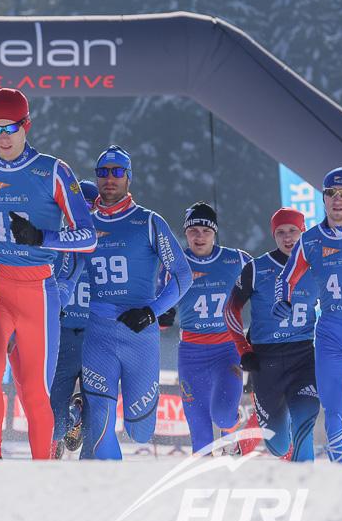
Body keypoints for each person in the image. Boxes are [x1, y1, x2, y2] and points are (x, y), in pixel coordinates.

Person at [0, 89, 96, 459]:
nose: (4, 136)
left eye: (12, 127)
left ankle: (40, 469)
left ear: (26, 125)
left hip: (38, 292)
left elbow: (88, 236)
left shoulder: (53, 171)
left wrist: (42, 237)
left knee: (33, 390)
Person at [77, 146, 192, 460]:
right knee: (99, 415)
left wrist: (151, 311)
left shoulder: (149, 222)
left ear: (129, 177)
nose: (109, 179)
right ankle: (106, 490)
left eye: (117, 172)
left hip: (140, 336)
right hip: (98, 334)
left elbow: (183, 273)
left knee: (140, 430)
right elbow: (63, 274)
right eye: (103, 172)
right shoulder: (84, 224)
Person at [276, 167, 342, 463]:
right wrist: (283, 299)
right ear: (324, 199)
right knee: (333, 408)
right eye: (331, 194)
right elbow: (287, 278)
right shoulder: (311, 240)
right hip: (330, 332)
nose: (337, 200)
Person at [224, 208, 320, 461]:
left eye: (293, 232)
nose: (287, 238)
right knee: (277, 444)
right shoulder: (256, 269)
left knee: (304, 421)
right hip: (265, 361)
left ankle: (308, 484)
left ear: (303, 232)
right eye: (281, 233)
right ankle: (279, 426)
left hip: (303, 356)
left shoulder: (318, 266)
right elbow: (231, 309)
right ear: (273, 235)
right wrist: (244, 349)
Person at [174, 202, 251, 453]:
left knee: (223, 416)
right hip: (191, 353)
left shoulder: (236, 259)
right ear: (185, 232)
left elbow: (269, 281)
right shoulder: (175, 262)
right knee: (201, 441)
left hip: (226, 350)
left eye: (206, 231)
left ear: (215, 232)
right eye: (193, 230)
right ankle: (207, 490)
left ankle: (232, 432)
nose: (199, 236)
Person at [50, 180, 99, 457]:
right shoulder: (56, 242)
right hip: (64, 336)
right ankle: (73, 416)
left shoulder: (106, 241)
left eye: (90, 208)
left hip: (97, 338)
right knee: (54, 427)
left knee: (97, 428)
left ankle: (90, 482)